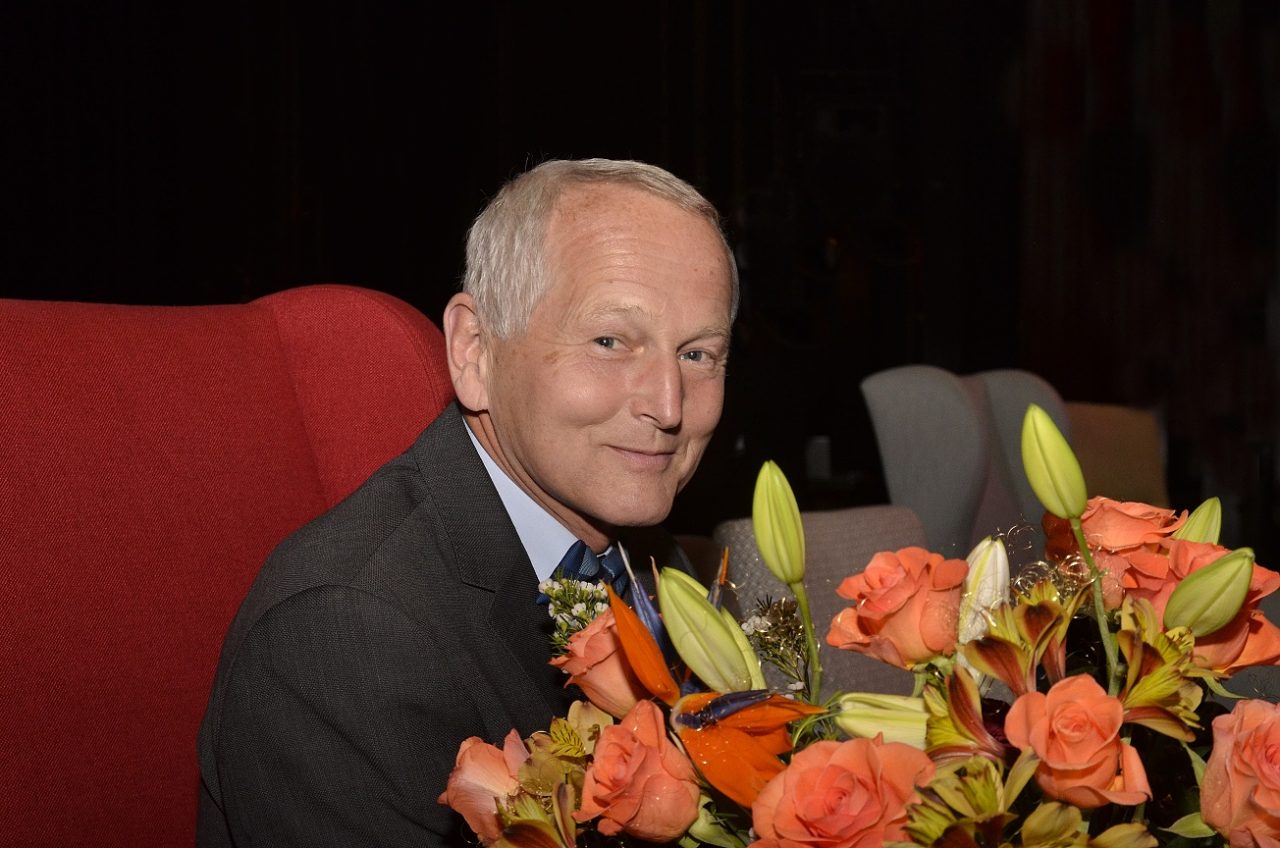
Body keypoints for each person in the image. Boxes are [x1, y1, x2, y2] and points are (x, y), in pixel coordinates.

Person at [196, 158, 738, 846]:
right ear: (476, 351)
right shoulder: (346, 635)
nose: (669, 405)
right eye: (610, 342)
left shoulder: (661, 567)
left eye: (698, 355)